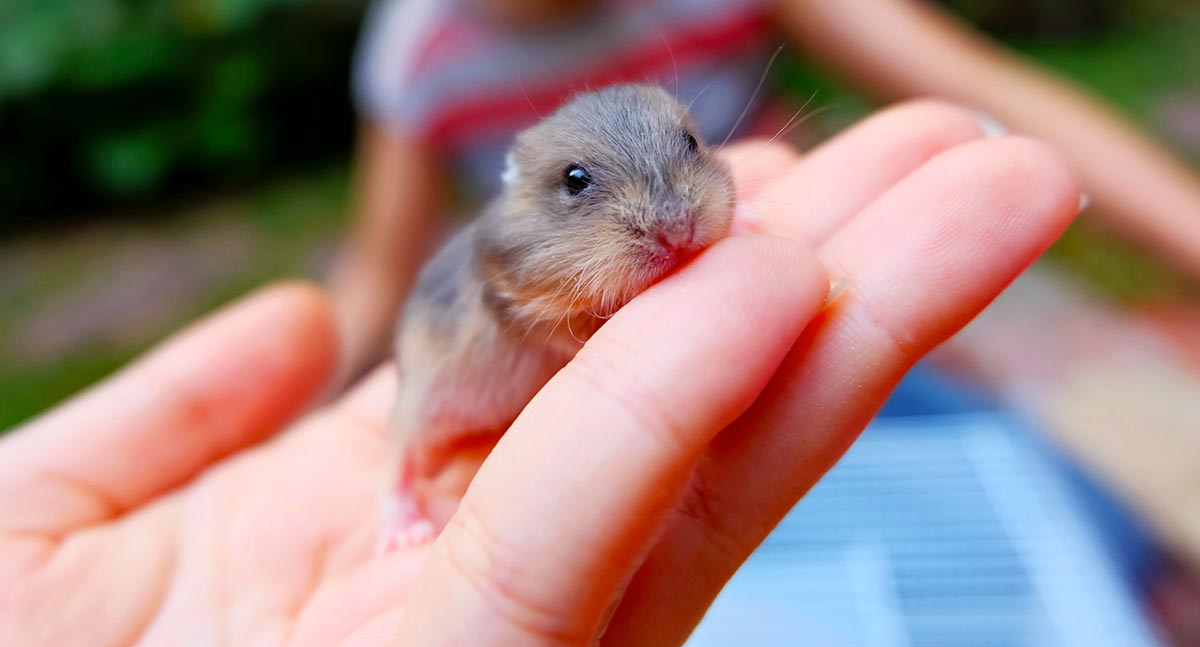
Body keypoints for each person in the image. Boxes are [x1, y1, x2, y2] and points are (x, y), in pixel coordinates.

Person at [0, 109, 1080, 646]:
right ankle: (399, 487)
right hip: (453, 380)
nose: (665, 216)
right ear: (530, 187)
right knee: (419, 419)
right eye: (584, 187)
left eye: (687, 160)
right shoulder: (510, 256)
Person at [327, 0, 1200, 385]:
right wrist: (307, 403)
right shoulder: (418, 54)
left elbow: (978, 84)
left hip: (814, 263)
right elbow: (375, 277)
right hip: (595, 344)